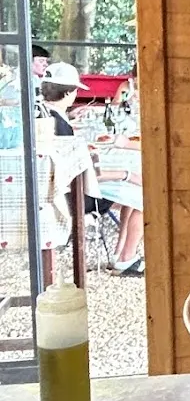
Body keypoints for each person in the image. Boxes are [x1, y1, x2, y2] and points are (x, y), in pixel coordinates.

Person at [39, 62, 142, 273]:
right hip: (71, 196)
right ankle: (126, 258)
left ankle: (120, 253)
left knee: (134, 188)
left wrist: (71, 116)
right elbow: (77, 173)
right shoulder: (60, 126)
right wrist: (125, 175)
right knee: (142, 194)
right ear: (68, 92)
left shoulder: (44, 114)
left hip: (51, 189)